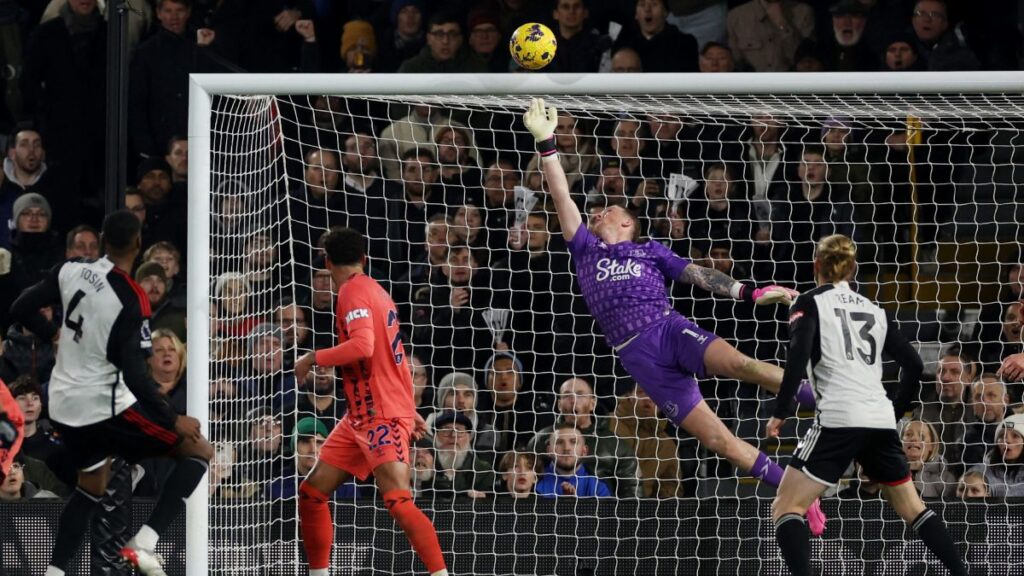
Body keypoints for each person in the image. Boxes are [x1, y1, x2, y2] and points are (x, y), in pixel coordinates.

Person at [521, 98, 825, 529]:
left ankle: (826, 402)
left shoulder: (648, 250)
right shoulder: (585, 250)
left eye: (606, 210)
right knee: (719, 439)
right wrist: (546, 144)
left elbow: (697, 274)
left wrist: (747, 291)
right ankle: (795, 492)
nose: (596, 213)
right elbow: (561, 195)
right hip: (639, 357)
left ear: (627, 224)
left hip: (668, 330)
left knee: (742, 364)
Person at [9, 209, 213, 576]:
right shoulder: (132, 299)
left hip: (62, 403)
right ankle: (145, 543)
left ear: (102, 239)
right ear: (139, 244)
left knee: (93, 485)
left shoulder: (69, 269)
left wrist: (53, 333)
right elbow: (136, 374)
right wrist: (172, 418)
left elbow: (20, 307)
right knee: (199, 450)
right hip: (100, 405)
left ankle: (54, 572)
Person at [766, 234, 967, 576]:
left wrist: (780, 412)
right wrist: (893, 412)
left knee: (786, 506)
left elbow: (797, 358)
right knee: (913, 508)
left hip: (838, 418)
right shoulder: (875, 310)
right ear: (853, 268)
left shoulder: (808, 302)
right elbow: (915, 366)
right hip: (879, 419)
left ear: (816, 265)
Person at [292, 226, 448, 576]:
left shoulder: (352, 294)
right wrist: (411, 409)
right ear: (364, 258)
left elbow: (364, 346)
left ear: (326, 261)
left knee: (397, 500)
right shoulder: (377, 291)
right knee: (313, 492)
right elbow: (398, 357)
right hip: (360, 416)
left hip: (380, 415)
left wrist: (312, 358)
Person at [536, 423, 612, 498]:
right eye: (559, 442)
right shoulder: (534, 482)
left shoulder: (599, 488)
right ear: (549, 451)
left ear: (584, 451)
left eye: (573, 442)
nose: (566, 448)